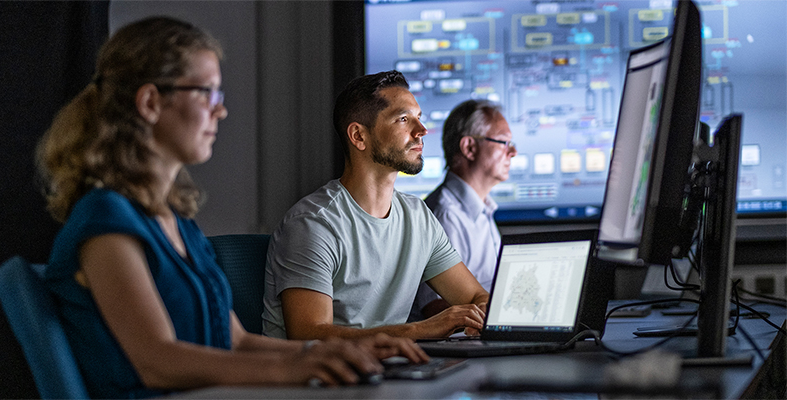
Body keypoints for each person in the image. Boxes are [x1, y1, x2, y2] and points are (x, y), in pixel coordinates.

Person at [36, 17, 424, 399]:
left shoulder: (176, 221)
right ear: (151, 101)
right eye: (208, 94)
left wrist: (340, 352)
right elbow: (156, 362)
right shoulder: (105, 220)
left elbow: (235, 341)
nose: (220, 111)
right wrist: (292, 369)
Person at [262, 70, 490, 341]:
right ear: (358, 136)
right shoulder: (313, 223)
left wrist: (485, 313)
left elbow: (476, 296)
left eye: (419, 118)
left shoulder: (418, 217)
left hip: (388, 371)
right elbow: (309, 334)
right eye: (404, 119)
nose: (421, 131)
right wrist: (418, 330)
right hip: (319, 379)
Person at [409, 100, 517, 321]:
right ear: (469, 147)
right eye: (504, 142)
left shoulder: (481, 209)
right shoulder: (445, 216)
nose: (513, 152)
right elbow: (436, 308)